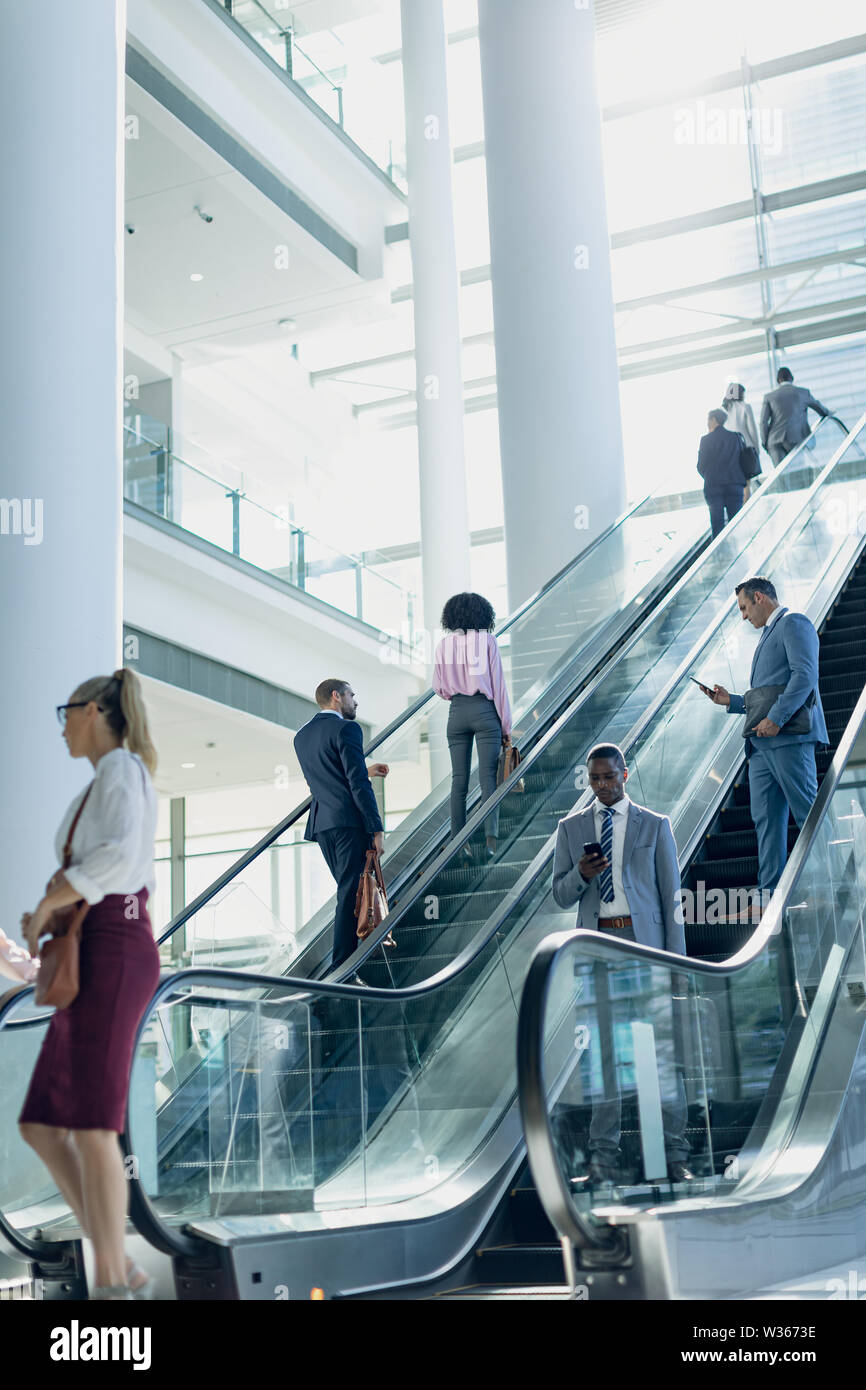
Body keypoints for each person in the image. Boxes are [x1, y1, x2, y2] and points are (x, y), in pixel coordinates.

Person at [18, 668, 161, 1301]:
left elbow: (116, 864)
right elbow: (92, 871)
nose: (64, 726)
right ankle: (110, 1262)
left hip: (117, 947)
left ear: (98, 711)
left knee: (94, 1126)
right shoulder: (103, 782)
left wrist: (53, 903)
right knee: (43, 1122)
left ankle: (112, 1281)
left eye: (68, 712)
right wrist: (52, 907)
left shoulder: (122, 771)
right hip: (94, 943)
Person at [552, 744, 691, 1184]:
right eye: (595, 779)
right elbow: (560, 893)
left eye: (610, 777)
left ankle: (675, 1154)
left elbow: (673, 902)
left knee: (661, 1053)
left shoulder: (655, 824)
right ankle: (602, 1159)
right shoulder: (571, 829)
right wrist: (582, 875)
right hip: (597, 947)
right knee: (603, 1058)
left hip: (645, 944)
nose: (603, 786)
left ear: (625, 775)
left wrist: (677, 965)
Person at [701, 577, 827, 910]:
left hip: (787, 737)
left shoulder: (793, 623)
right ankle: (768, 895)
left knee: (807, 812)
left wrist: (778, 719)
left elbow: (804, 676)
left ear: (759, 597)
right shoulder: (767, 636)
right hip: (761, 745)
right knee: (765, 819)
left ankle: (831, 883)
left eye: (744, 607)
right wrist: (733, 701)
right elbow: (767, 693)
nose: (743, 616)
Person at [293, 680, 389, 974]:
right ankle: (342, 969)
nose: (354, 701)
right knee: (350, 893)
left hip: (323, 824)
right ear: (336, 696)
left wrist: (366, 770)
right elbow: (356, 784)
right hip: (349, 823)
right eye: (351, 695)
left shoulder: (302, 736)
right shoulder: (347, 729)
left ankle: (346, 965)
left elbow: (332, 776)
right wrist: (376, 828)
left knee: (349, 890)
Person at [432, 592, 512, 860]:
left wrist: (457, 691)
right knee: (488, 777)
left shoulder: (443, 645)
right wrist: (506, 728)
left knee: (459, 780)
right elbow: (499, 686)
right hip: (483, 710)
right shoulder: (487, 641)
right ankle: (491, 841)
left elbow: (439, 688)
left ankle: (460, 842)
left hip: (456, 713)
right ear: (482, 614)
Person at [760, 367, 831, 467]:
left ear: (778, 381)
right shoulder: (803, 393)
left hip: (774, 441)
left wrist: (765, 443)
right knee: (797, 474)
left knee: (781, 476)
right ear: (792, 378)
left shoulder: (769, 397)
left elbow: (763, 422)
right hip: (795, 439)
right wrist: (829, 413)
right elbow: (820, 409)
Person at [697, 408, 750, 538]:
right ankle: (738, 552)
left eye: (708, 419)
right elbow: (743, 461)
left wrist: (709, 476)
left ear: (714, 419)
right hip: (734, 483)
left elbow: (700, 465)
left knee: (717, 523)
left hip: (713, 485)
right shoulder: (736, 437)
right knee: (735, 522)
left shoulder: (706, 440)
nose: (707, 423)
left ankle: (720, 556)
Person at [723, 382, 760, 497]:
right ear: (740, 394)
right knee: (746, 483)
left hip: (729, 451)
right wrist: (756, 448)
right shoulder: (745, 407)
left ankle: (739, 510)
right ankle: (746, 510)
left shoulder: (722, 409)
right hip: (745, 449)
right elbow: (752, 430)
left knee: (735, 483)